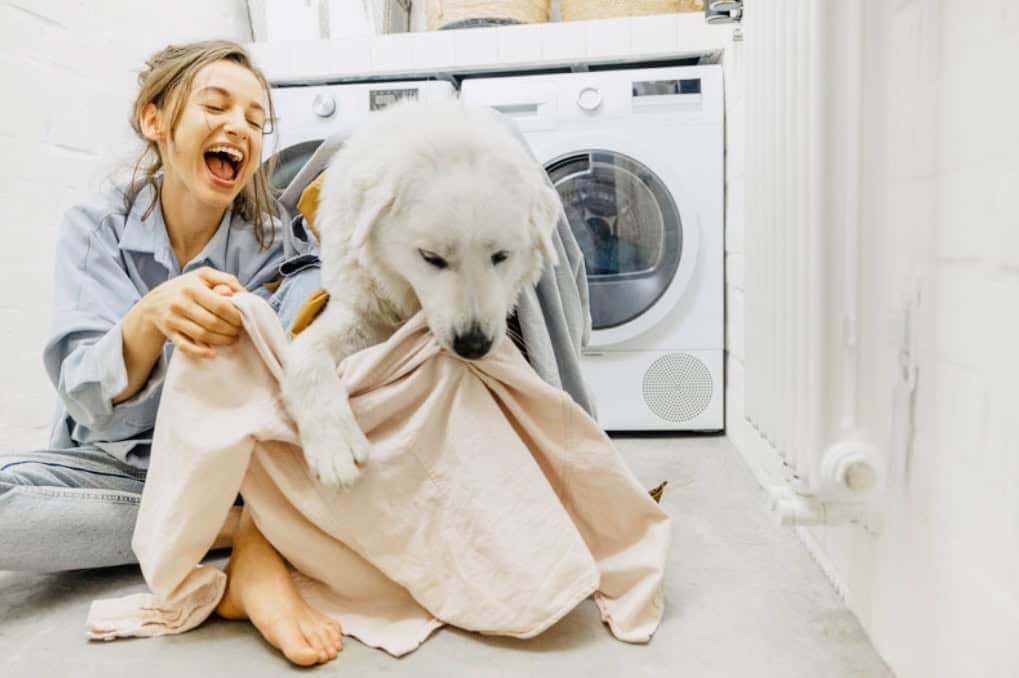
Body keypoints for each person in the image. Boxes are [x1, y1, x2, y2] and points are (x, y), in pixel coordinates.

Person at [0, 40, 343, 666]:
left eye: (255, 120)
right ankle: (239, 532)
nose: (239, 127)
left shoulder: (277, 245)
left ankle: (240, 534)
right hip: (120, 467)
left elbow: (291, 385)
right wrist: (150, 316)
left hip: (229, 471)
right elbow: (85, 398)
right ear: (154, 120)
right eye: (216, 106)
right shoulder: (98, 227)